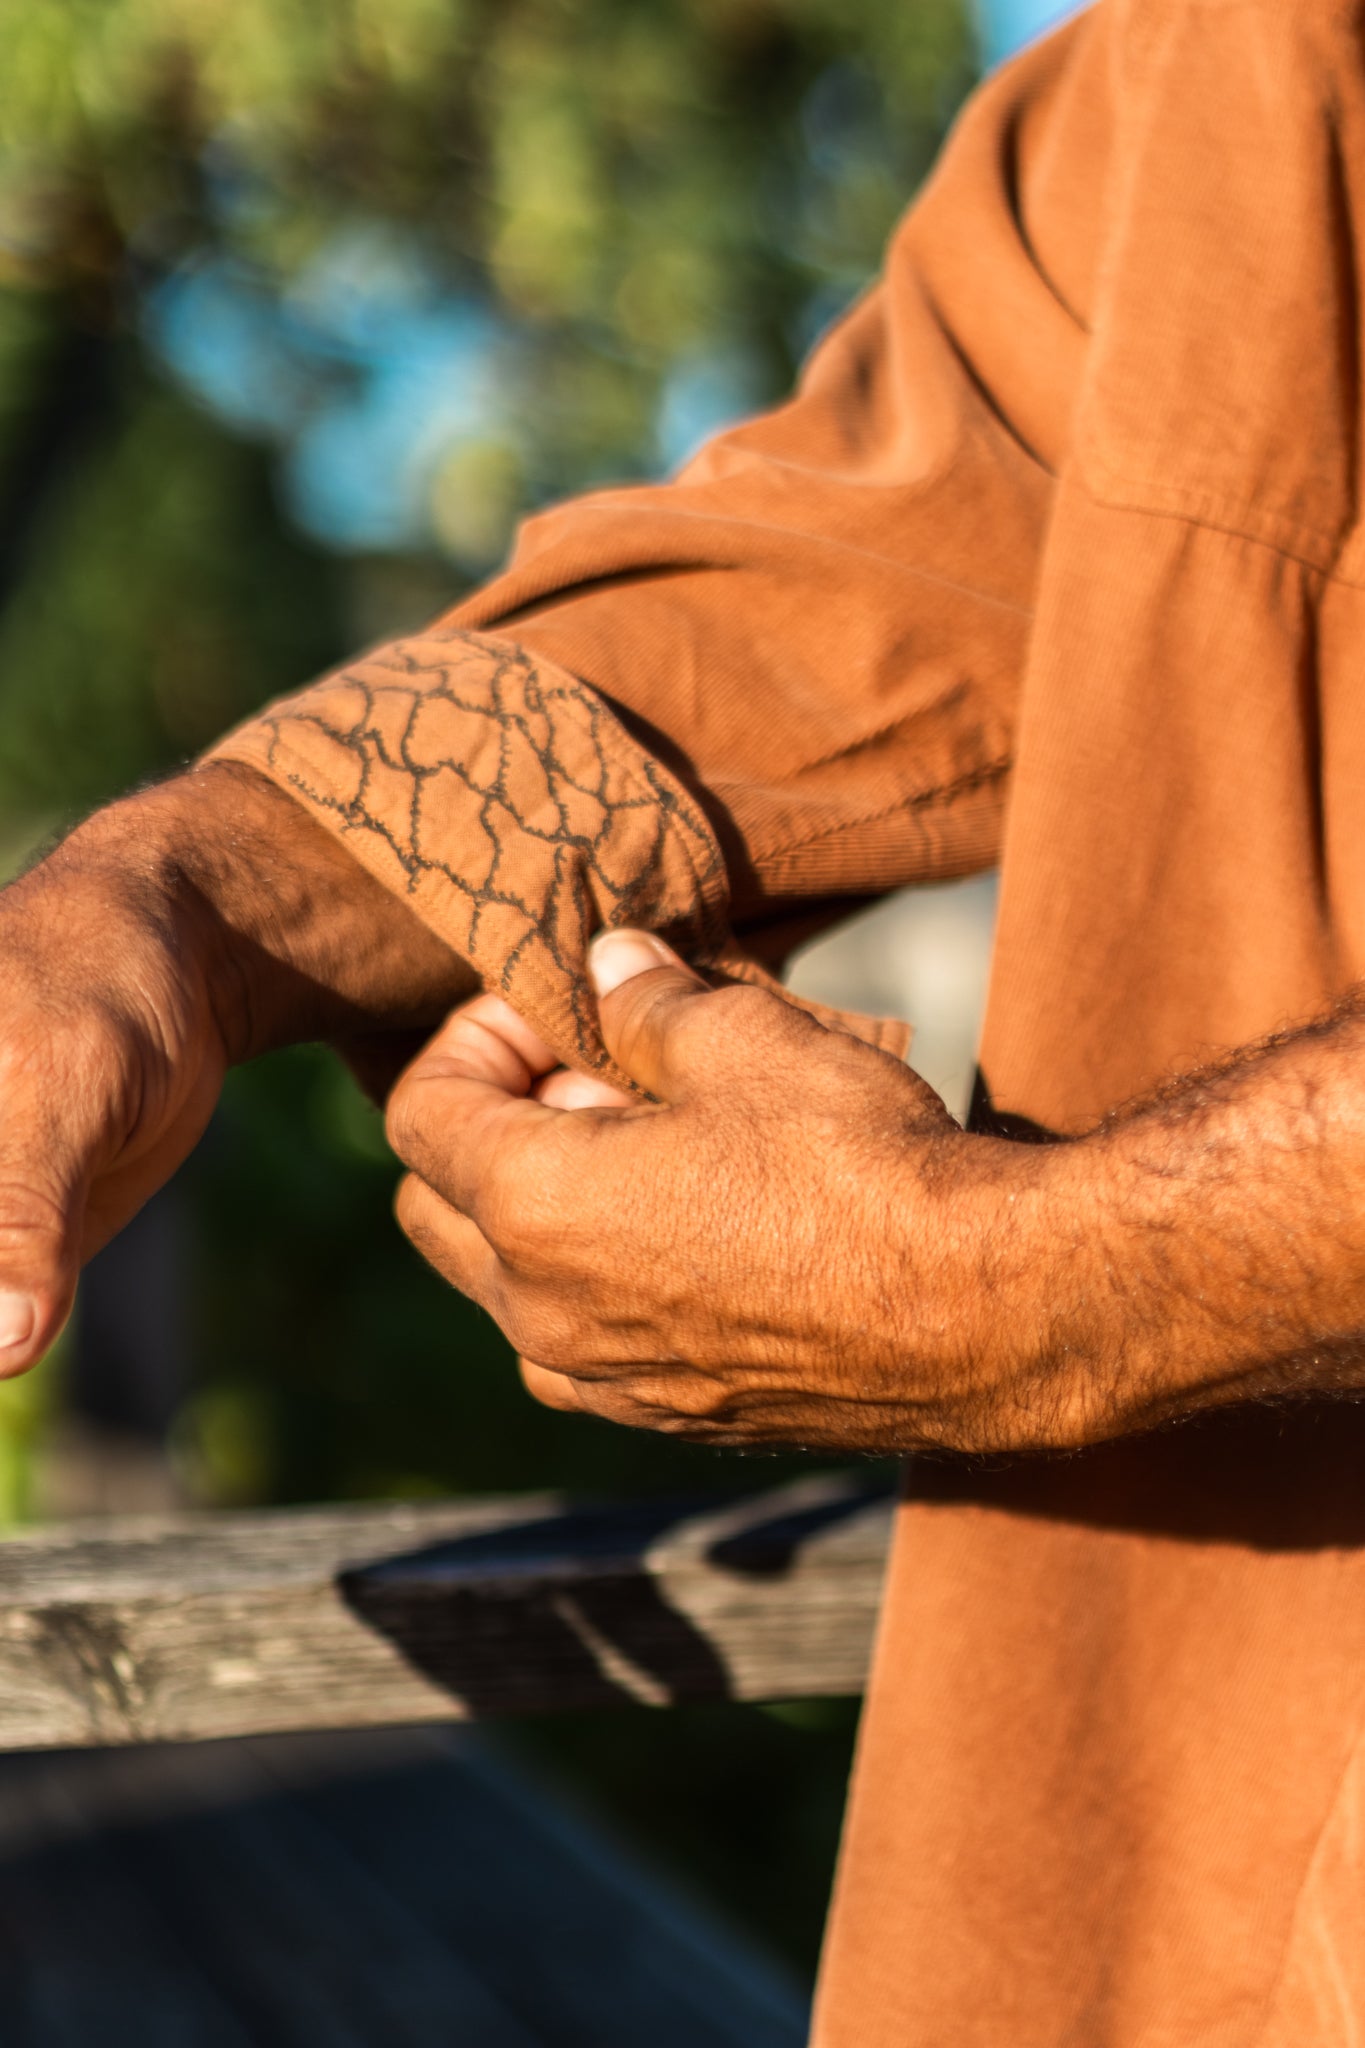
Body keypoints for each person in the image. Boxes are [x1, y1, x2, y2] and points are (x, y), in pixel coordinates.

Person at [4, 0, 1365, 2038]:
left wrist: (1049, 1277)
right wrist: (169, 898)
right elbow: (855, 572)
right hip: (1175, 1895)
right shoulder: (1246, 71)